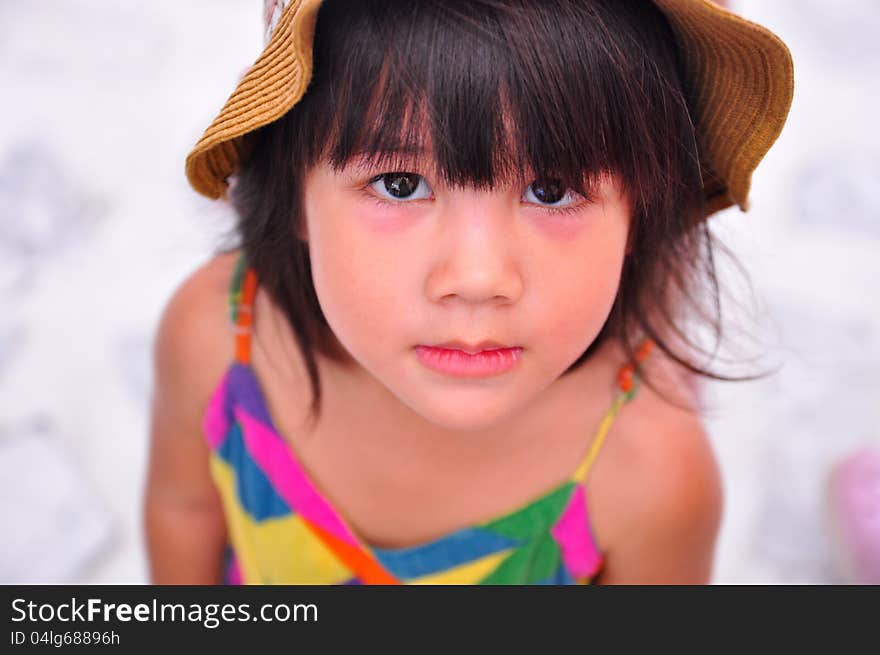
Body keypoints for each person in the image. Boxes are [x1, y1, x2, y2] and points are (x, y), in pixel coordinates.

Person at [144, 0, 794, 584]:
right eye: (399, 184)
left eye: (551, 190)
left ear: (641, 211)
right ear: (291, 192)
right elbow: (183, 511)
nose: (478, 278)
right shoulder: (218, 338)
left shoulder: (650, 472)